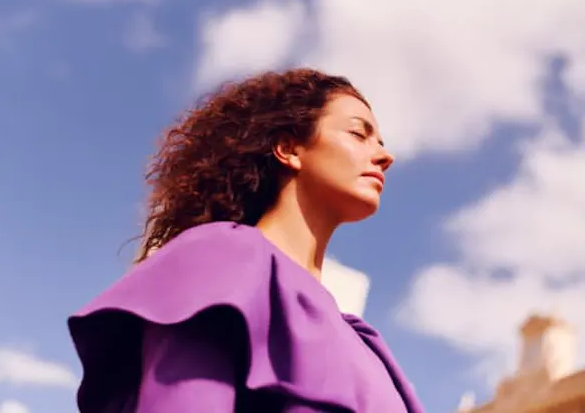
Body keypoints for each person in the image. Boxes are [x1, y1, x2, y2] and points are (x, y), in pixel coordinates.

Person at [67, 68, 424, 412]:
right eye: (358, 134)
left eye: (381, 142)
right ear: (289, 149)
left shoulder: (369, 346)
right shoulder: (220, 260)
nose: (385, 156)